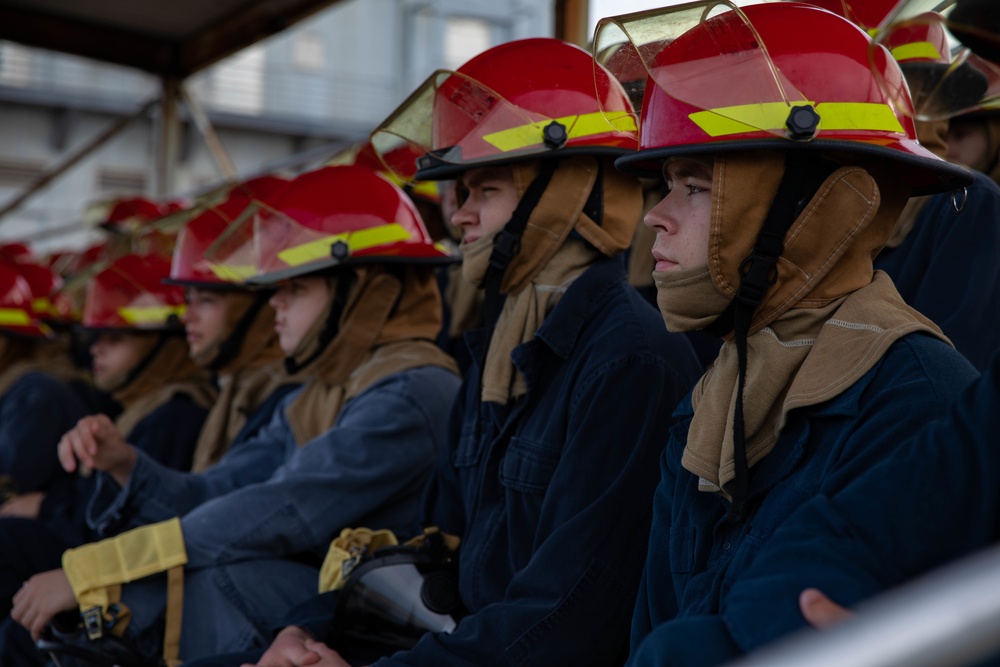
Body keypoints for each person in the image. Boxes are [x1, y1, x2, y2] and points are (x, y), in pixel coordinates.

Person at [196, 36, 702, 667]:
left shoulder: (630, 361)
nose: (459, 216)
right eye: (460, 194)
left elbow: (567, 620)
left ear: (564, 192)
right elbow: (426, 545)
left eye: (484, 192)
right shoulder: (499, 349)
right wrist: (309, 631)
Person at [586, 3, 984, 665]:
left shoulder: (918, 404)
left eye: (696, 186)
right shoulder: (714, 396)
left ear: (824, 211)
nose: (654, 215)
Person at [5, 164, 462, 666]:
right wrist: (127, 465)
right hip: (315, 613)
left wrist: (98, 572)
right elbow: (219, 492)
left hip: (357, 629)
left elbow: (279, 509)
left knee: (200, 580)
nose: (275, 306)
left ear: (367, 293)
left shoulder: (413, 391)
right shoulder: (320, 392)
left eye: (297, 288)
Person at [0, 252, 217, 623]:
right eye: (97, 337)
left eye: (115, 338)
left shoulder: (176, 414)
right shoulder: (142, 406)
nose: (95, 348)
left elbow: (128, 517)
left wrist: (51, 506)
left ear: (162, 348)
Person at [803, 0, 1000, 372]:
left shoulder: (966, 203)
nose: (933, 113)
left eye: (938, 93)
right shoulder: (798, 210)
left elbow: (953, 380)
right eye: (909, 87)